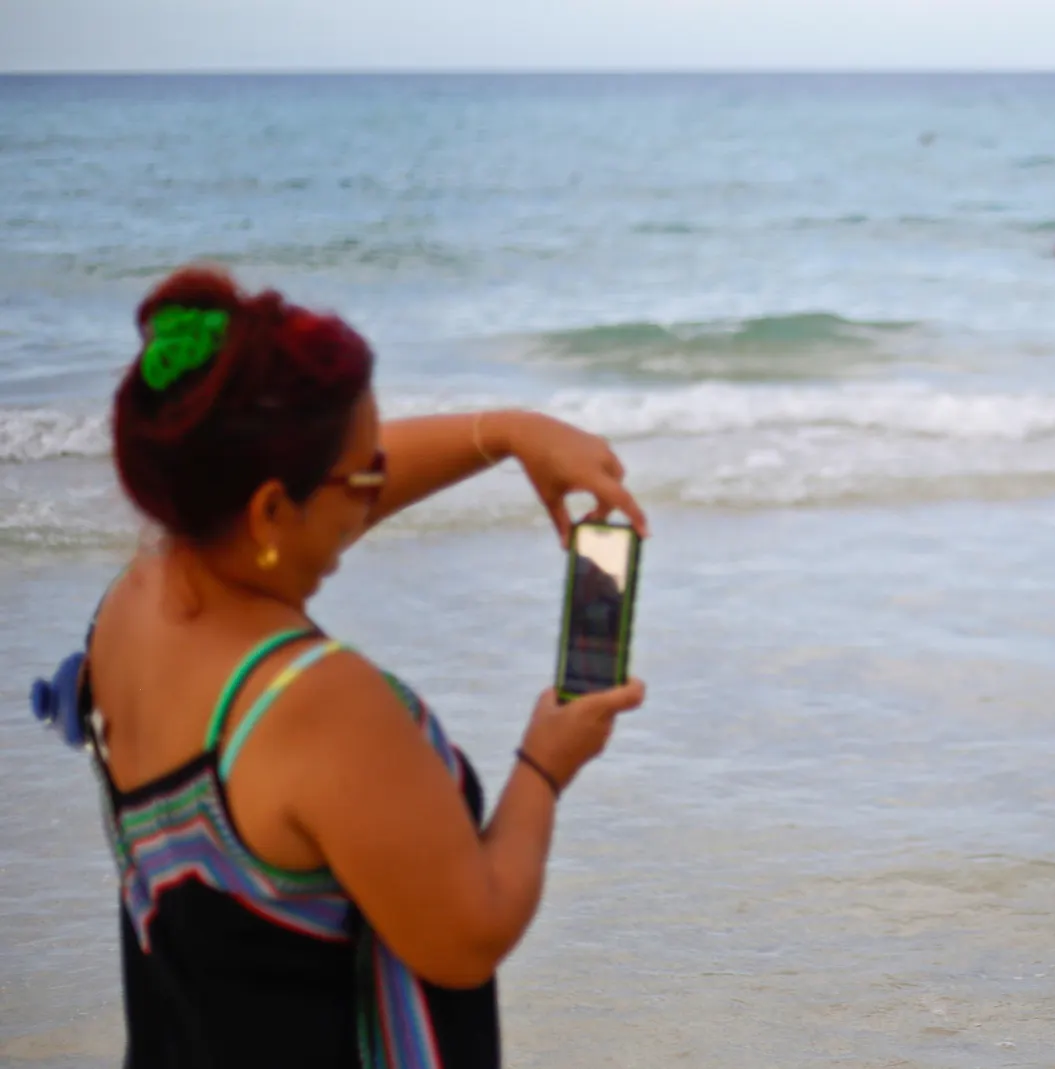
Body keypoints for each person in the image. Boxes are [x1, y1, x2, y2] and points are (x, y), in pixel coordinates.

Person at [82, 266, 650, 1066]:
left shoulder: (132, 609)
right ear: (272, 509)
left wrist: (510, 434)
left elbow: (306, 504)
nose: (377, 489)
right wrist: (544, 767)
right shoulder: (313, 699)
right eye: (363, 473)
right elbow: (467, 935)